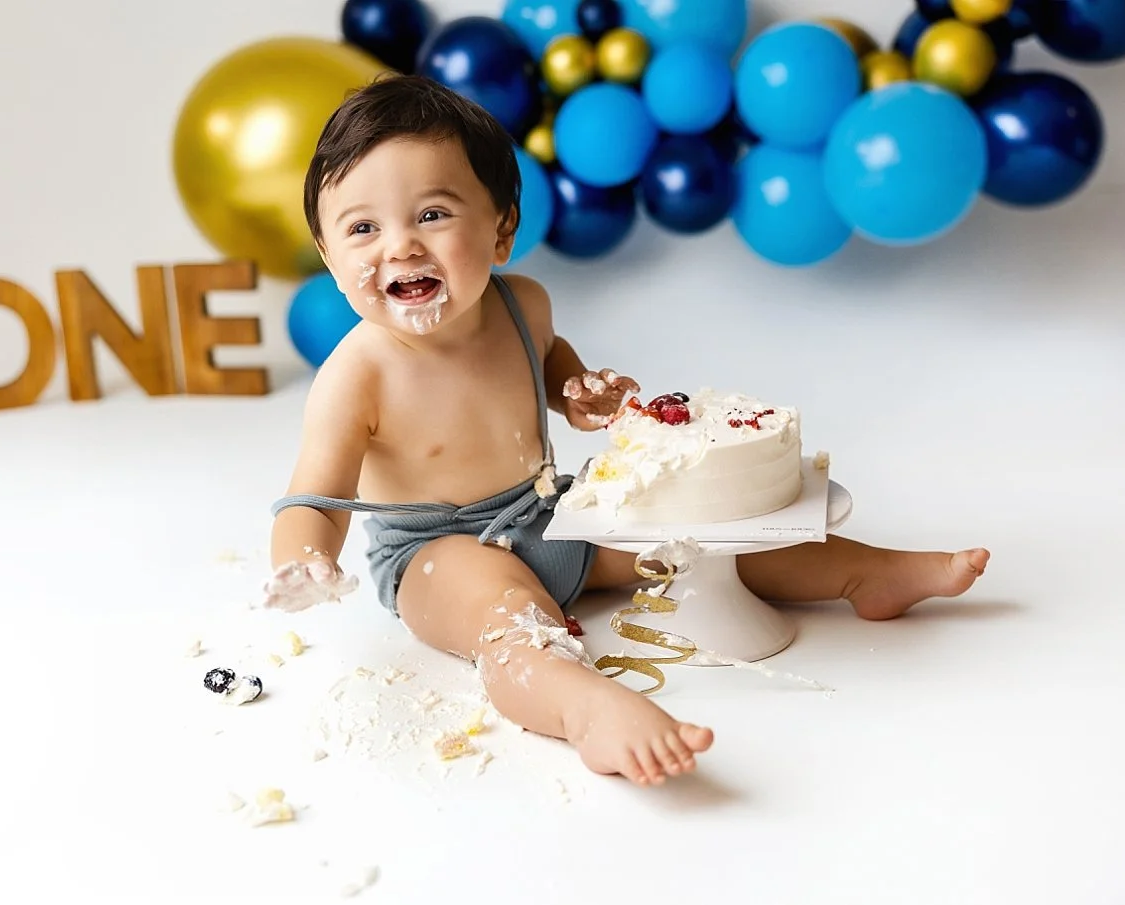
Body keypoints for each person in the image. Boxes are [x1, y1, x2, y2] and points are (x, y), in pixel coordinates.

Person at [265, 74, 990, 787]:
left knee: (696, 531)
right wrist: (303, 558)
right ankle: (589, 711)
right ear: (330, 259)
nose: (398, 247)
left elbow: (548, 370)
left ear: (501, 232)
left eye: (431, 215)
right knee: (507, 616)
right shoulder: (355, 373)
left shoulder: (524, 305)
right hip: (437, 550)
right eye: (362, 228)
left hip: (547, 509)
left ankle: (866, 571)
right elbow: (315, 494)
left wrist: (579, 392)